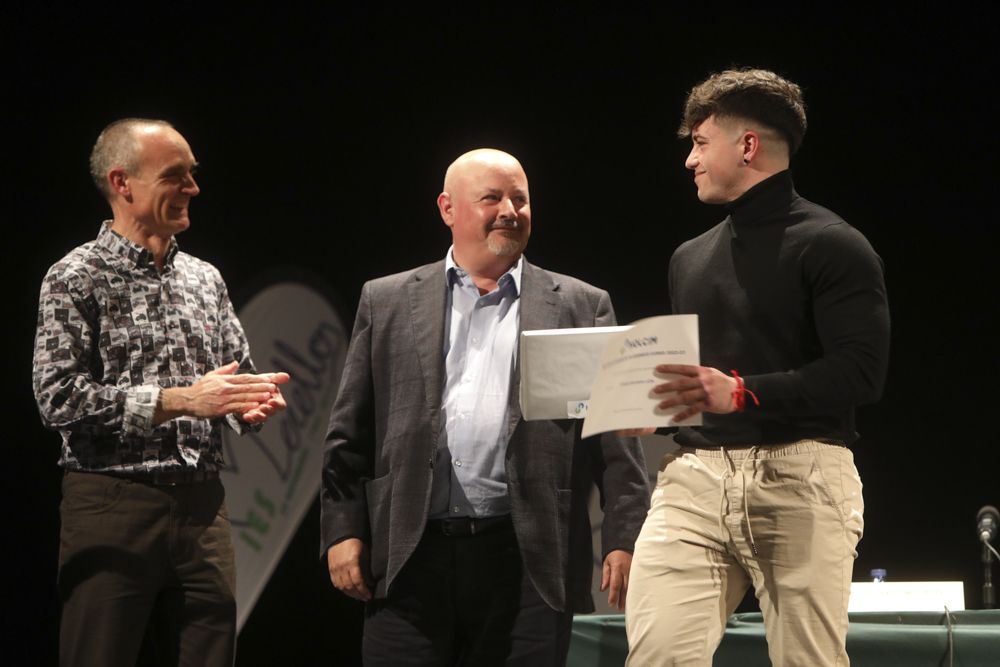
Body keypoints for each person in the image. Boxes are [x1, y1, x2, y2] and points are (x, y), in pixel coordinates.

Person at [321, 148, 650, 666]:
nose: (509, 210)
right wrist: (343, 531)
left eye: (520, 198)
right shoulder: (384, 300)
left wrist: (623, 537)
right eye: (492, 197)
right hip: (411, 555)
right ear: (447, 208)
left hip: (528, 561)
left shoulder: (581, 305)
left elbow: (617, 442)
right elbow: (349, 433)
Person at [624, 69, 891, 666]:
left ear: (747, 146)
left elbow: (860, 373)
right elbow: (702, 386)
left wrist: (743, 393)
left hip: (802, 475)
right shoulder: (688, 258)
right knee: (657, 656)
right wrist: (656, 410)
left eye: (699, 142)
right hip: (694, 481)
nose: (689, 160)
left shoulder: (833, 244)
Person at [32, 118, 290, 667]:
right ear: (123, 183)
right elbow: (58, 397)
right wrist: (180, 401)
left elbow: (231, 375)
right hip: (112, 504)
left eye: (193, 175)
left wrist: (251, 402)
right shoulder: (75, 276)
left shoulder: (205, 278)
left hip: (203, 509)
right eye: (177, 176)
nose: (193, 188)